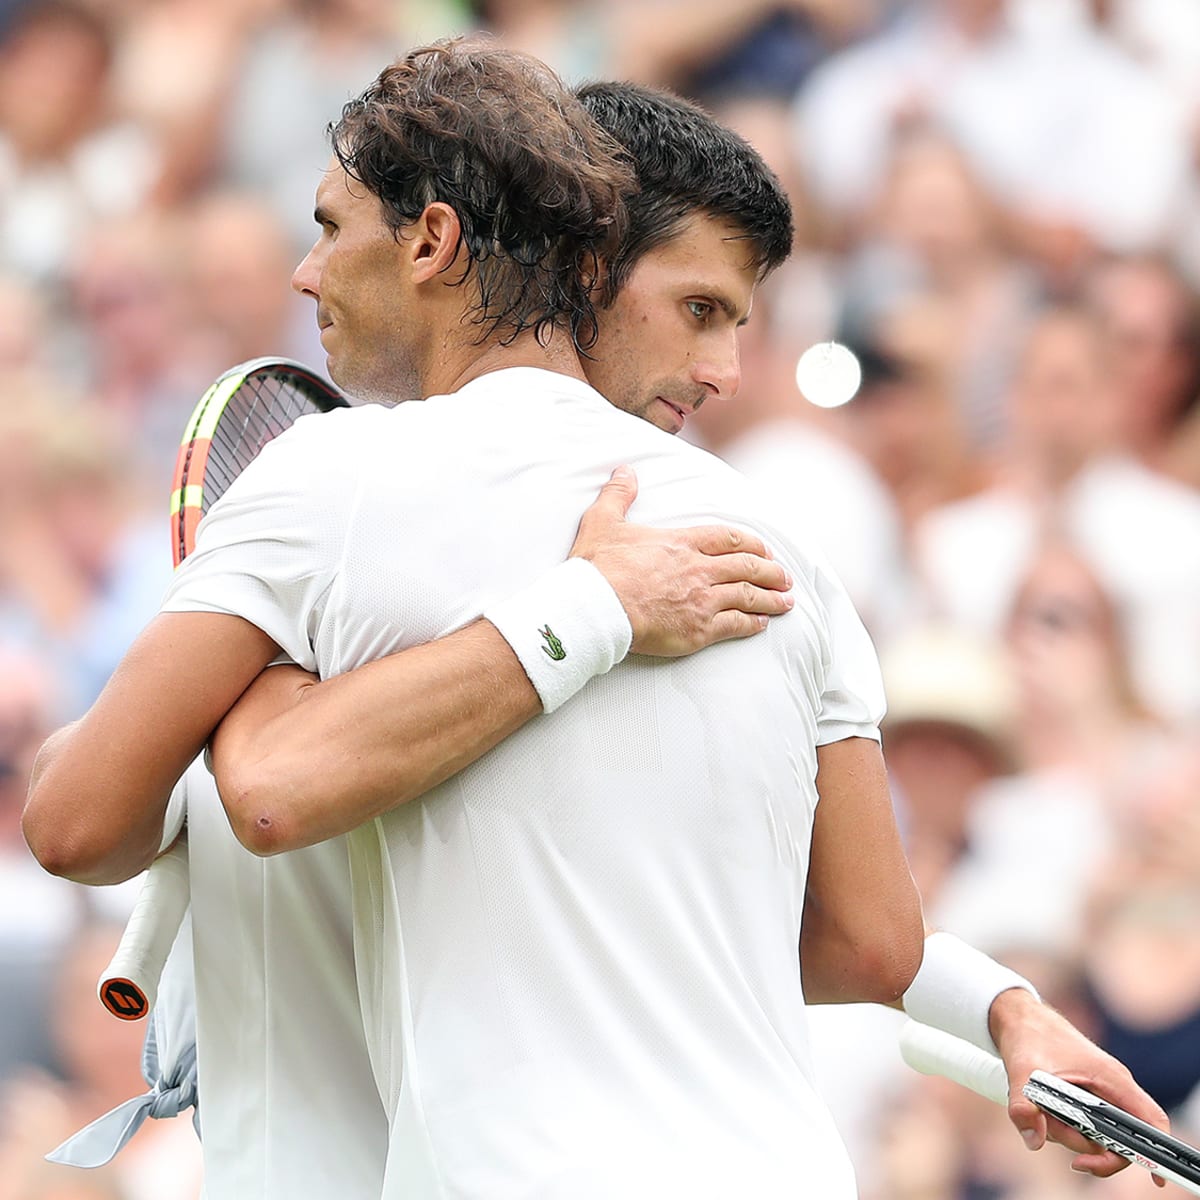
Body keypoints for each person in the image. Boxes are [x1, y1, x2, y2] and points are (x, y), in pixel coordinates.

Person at [27, 48, 1169, 1196]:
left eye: (731, 318)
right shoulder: (781, 542)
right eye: (698, 309)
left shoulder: (334, 485)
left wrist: (259, 683)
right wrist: (995, 1002)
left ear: (440, 241)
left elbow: (201, 799)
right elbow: (858, 938)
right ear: (583, 269)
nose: (722, 369)